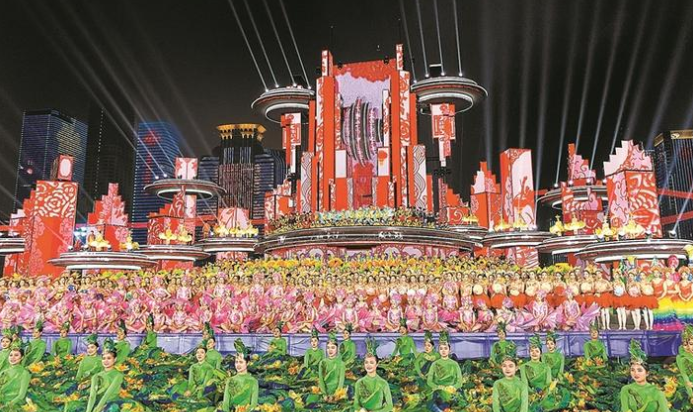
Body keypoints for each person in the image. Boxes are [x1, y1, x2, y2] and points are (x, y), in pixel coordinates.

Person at [619, 339, 670, 412]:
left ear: (647, 373)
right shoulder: (626, 389)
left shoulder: (656, 391)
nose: (636, 373)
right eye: (632, 370)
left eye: (639, 370)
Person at [353, 338, 393, 412]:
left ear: (377, 364)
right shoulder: (359, 382)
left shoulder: (383, 383)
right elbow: (356, 404)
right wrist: (361, 409)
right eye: (366, 362)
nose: (368, 365)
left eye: (371, 362)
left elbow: (390, 406)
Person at [85, 339, 124, 412]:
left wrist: (97, 409)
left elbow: (108, 394)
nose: (106, 361)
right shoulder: (96, 376)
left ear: (115, 359)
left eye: (109, 358)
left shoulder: (118, 375)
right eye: (103, 358)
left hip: (112, 404)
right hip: (97, 403)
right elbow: (92, 396)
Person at [221, 339, 259, 412]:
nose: (238, 365)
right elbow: (225, 403)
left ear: (247, 363)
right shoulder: (230, 380)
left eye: (241, 362)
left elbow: (253, 405)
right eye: (236, 362)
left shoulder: (253, 381)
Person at [492, 348, 529, 412]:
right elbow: (495, 405)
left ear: (516, 368)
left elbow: (524, 407)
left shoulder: (522, 385)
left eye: (511, 366)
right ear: (501, 367)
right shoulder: (497, 383)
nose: (507, 369)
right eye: (504, 366)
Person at [0, 341, 31, 406]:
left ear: (22, 357)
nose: (12, 357)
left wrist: (7, 405)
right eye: (11, 355)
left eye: (16, 355)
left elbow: (21, 395)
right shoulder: (4, 371)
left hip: (14, 404)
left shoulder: (25, 373)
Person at [318, 332, 346, 398]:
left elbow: (341, 381)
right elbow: (321, 380)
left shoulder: (341, 363)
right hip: (324, 393)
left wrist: (336, 394)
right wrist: (324, 394)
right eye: (328, 348)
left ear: (337, 348)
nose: (330, 350)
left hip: (337, 394)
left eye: (333, 347)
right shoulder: (322, 362)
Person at [676, 325, 693, 399]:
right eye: (685, 344)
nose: (690, 347)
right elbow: (684, 375)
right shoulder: (681, 358)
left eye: (691, 343)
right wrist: (691, 396)